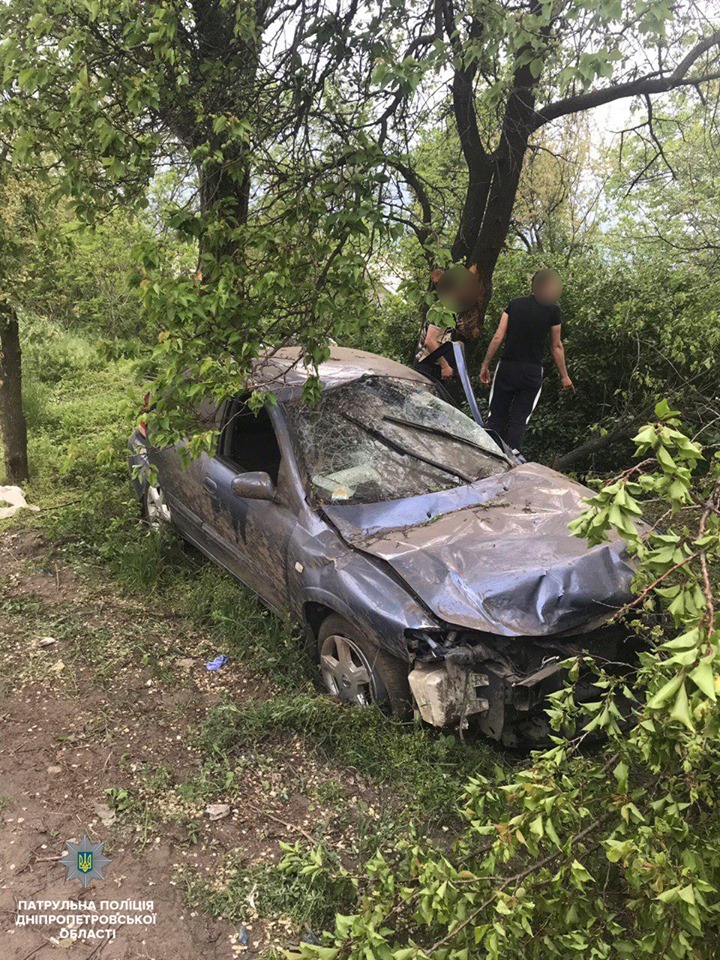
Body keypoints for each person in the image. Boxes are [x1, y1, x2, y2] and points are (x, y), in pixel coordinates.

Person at [480, 268, 574, 453]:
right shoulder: (553, 311)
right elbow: (556, 346)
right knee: (520, 418)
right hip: (531, 371)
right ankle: (512, 455)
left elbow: (498, 336)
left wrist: (485, 365)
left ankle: (486, 453)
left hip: (507, 367)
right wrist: (565, 376)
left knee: (496, 415)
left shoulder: (514, 305)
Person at [413, 266, 482, 386]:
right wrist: (445, 366)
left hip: (433, 367)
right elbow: (430, 341)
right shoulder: (443, 309)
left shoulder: (452, 308)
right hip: (426, 369)